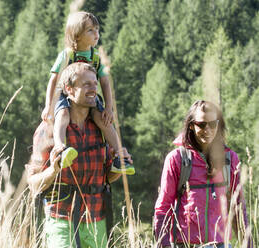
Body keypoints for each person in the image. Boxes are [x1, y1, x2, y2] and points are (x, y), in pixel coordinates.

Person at [27, 62, 133, 248]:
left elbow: (108, 177)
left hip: (97, 220)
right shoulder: (49, 130)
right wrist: (54, 169)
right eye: (86, 84)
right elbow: (34, 185)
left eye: (95, 83)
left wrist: (119, 168)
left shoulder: (102, 127)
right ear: (69, 89)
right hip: (61, 219)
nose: (93, 89)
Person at [41, 11, 134, 175]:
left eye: (97, 29)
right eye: (90, 30)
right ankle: (60, 148)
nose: (96, 34)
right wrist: (49, 105)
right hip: (64, 93)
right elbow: (53, 81)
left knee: (103, 120)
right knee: (62, 115)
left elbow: (105, 82)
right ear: (76, 35)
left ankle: (120, 155)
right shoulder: (67, 55)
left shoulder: (95, 56)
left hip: (89, 96)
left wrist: (108, 108)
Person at [153, 100, 251, 248]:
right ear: (191, 125)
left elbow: (238, 206)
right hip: (185, 244)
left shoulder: (230, 159)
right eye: (201, 124)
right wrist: (163, 244)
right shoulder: (177, 159)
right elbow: (163, 207)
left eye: (212, 124)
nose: (208, 129)